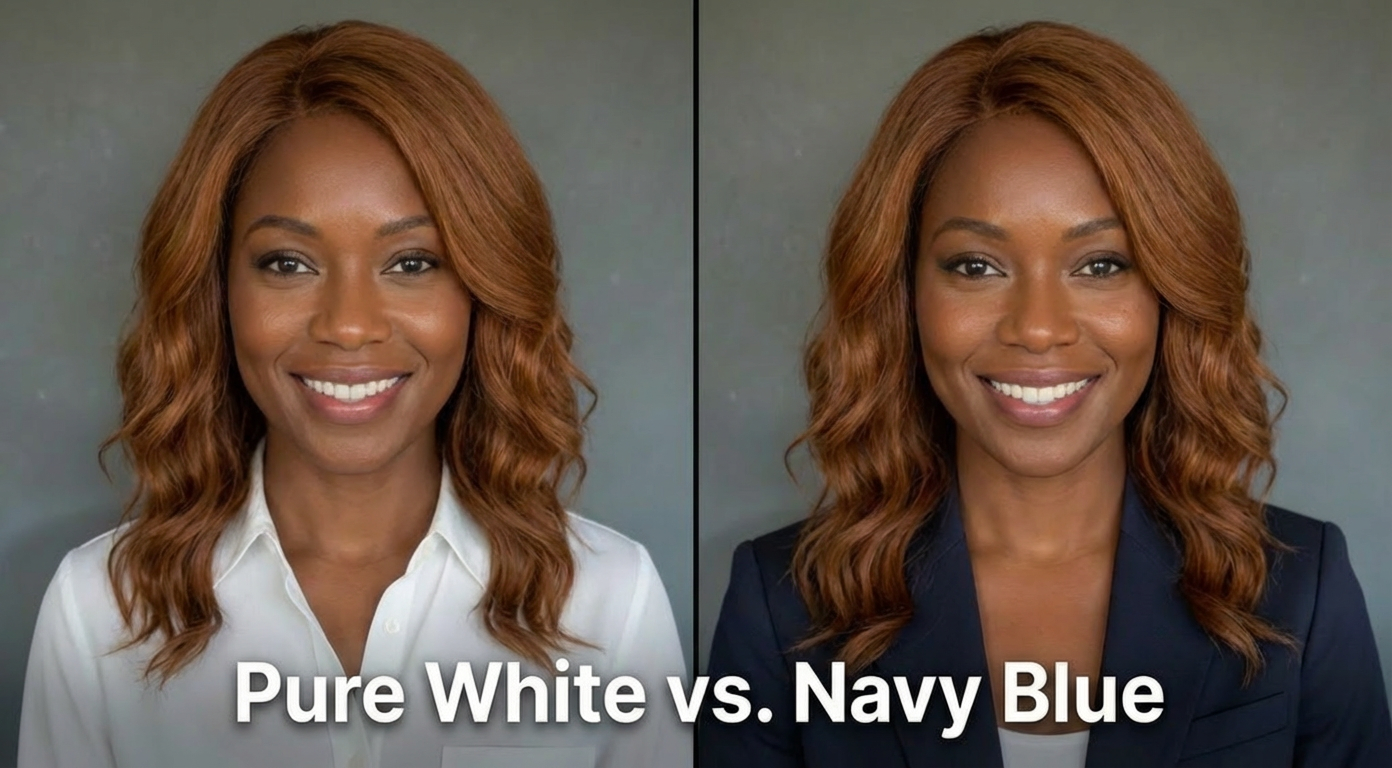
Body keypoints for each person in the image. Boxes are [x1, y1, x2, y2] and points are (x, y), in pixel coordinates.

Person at [700, 20, 1390, 768]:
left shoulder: (1301, 588)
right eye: (975, 266)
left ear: (1172, 292)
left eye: (1100, 265)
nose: (1037, 329)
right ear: (901, 293)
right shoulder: (782, 603)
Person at [19, 20, 687, 768]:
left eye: (411, 262)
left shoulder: (608, 601)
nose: (348, 326)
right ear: (216, 291)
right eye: (286, 263)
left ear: (483, 292)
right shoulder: (99, 611)